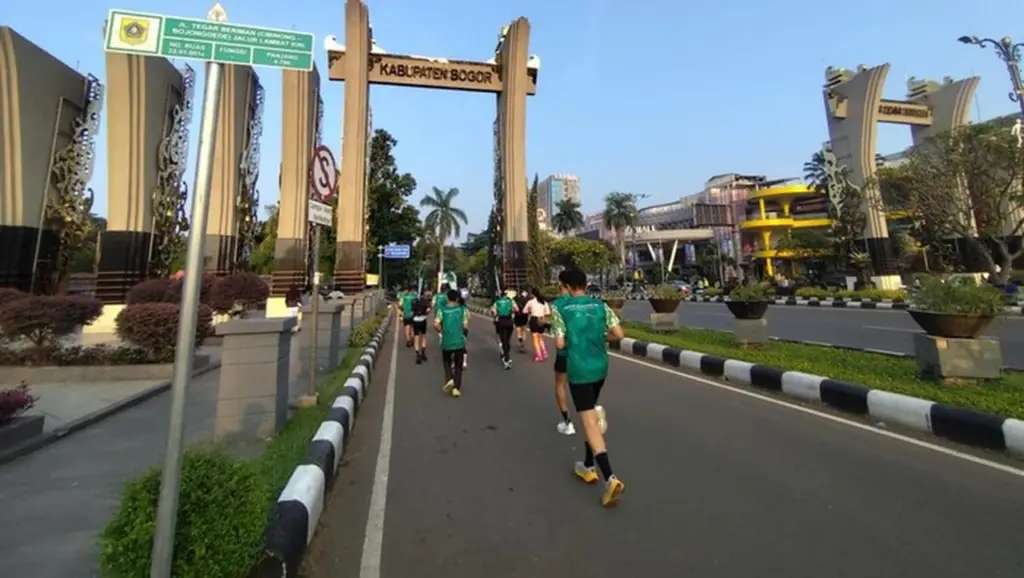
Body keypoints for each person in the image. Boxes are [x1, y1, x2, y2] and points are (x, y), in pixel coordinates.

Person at [549, 267, 625, 507]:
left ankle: (610, 478)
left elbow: (559, 343)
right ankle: (588, 465)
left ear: (566, 287)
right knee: (589, 414)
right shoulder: (601, 305)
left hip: (579, 370)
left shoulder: (560, 308)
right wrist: (600, 338)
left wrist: (572, 342)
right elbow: (619, 334)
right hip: (600, 367)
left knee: (589, 422)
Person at [550, 271, 576, 435]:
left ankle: (568, 422)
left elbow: (559, 341)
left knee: (560, 385)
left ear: (562, 285)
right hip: (587, 353)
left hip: (565, 354)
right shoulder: (589, 303)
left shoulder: (557, 305)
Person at [434, 289, 469, 398]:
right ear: (457, 298)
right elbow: (465, 325)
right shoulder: (462, 310)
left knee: (447, 362)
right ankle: (456, 389)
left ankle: (449, 379)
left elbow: (436, 324)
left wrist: (441, 331)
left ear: (447, 298)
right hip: (459, 341)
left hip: (446, 340)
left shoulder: (441, 310)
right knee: (458, 365)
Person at [490, 289, 518, 369]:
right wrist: (511, 311)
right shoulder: (511, 301)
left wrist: (496, 315)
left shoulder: (497, 302)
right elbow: (517, 309)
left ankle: (506, 358)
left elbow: (493, 312)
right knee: (507, 340)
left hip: (501, 322)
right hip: (509, 322)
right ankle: (507, 355)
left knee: (504, 340)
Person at [523, 288, 550, 362]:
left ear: (532, 294)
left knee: (535, 339)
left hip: (534, 320)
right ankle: (544, 352)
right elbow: (548, 312)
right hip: (541, 319)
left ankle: (539, 356)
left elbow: (524, 311)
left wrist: (530, 310)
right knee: (540, 337)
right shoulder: (544, 302)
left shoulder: (530, 302)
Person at [411, 289, 431, 363]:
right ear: (423, 294)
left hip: (415, 321)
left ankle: (418, 355)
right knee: (423, 337)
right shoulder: (426, 301)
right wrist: (425, 313)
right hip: (423, 320)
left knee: (416, 338)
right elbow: (428, 310)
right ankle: (423, 353)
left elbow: (412, 311)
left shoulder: (414, 301)